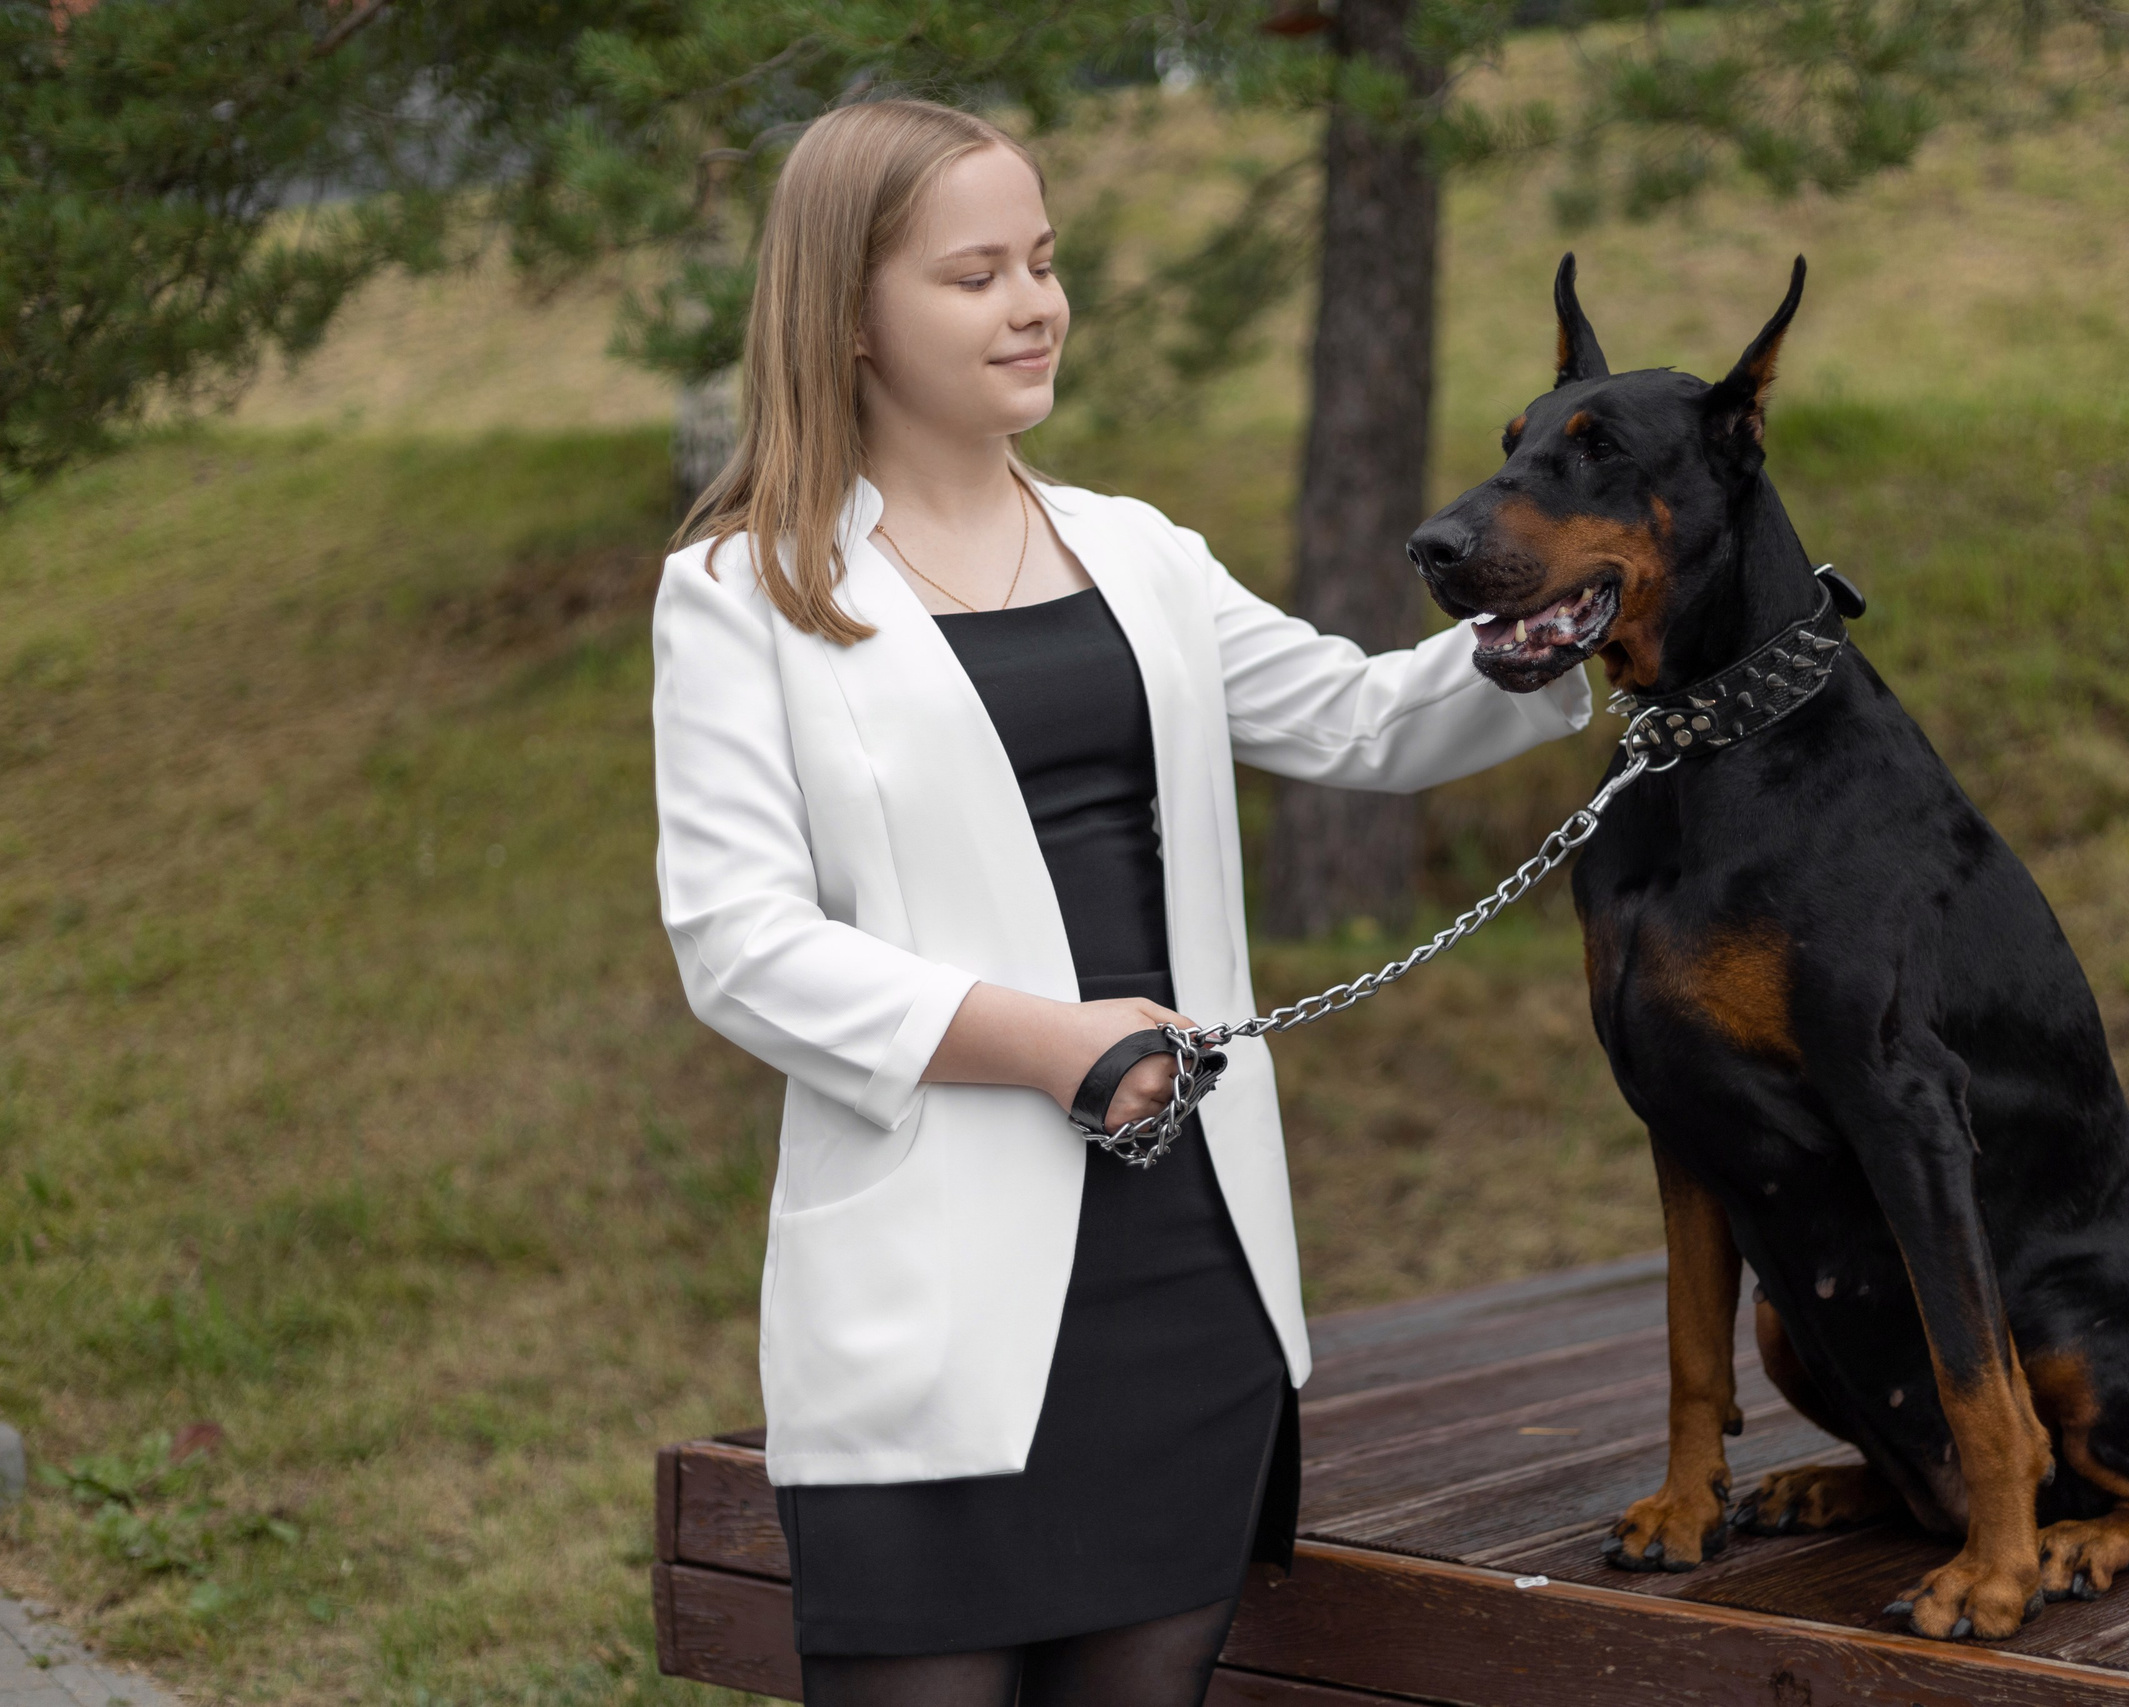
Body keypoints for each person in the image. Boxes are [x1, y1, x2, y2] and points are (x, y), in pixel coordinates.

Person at [650, 98, 1592, 1707]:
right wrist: (1048, 1044)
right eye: (973, 276)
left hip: (1185, 1276)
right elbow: (741, 948)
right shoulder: (747, 590)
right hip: (933, 1300)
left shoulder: (1134, 550)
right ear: (851, 318)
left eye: (1044, 260)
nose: (1032, 305)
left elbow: (1363, 720)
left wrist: (1562, 629)